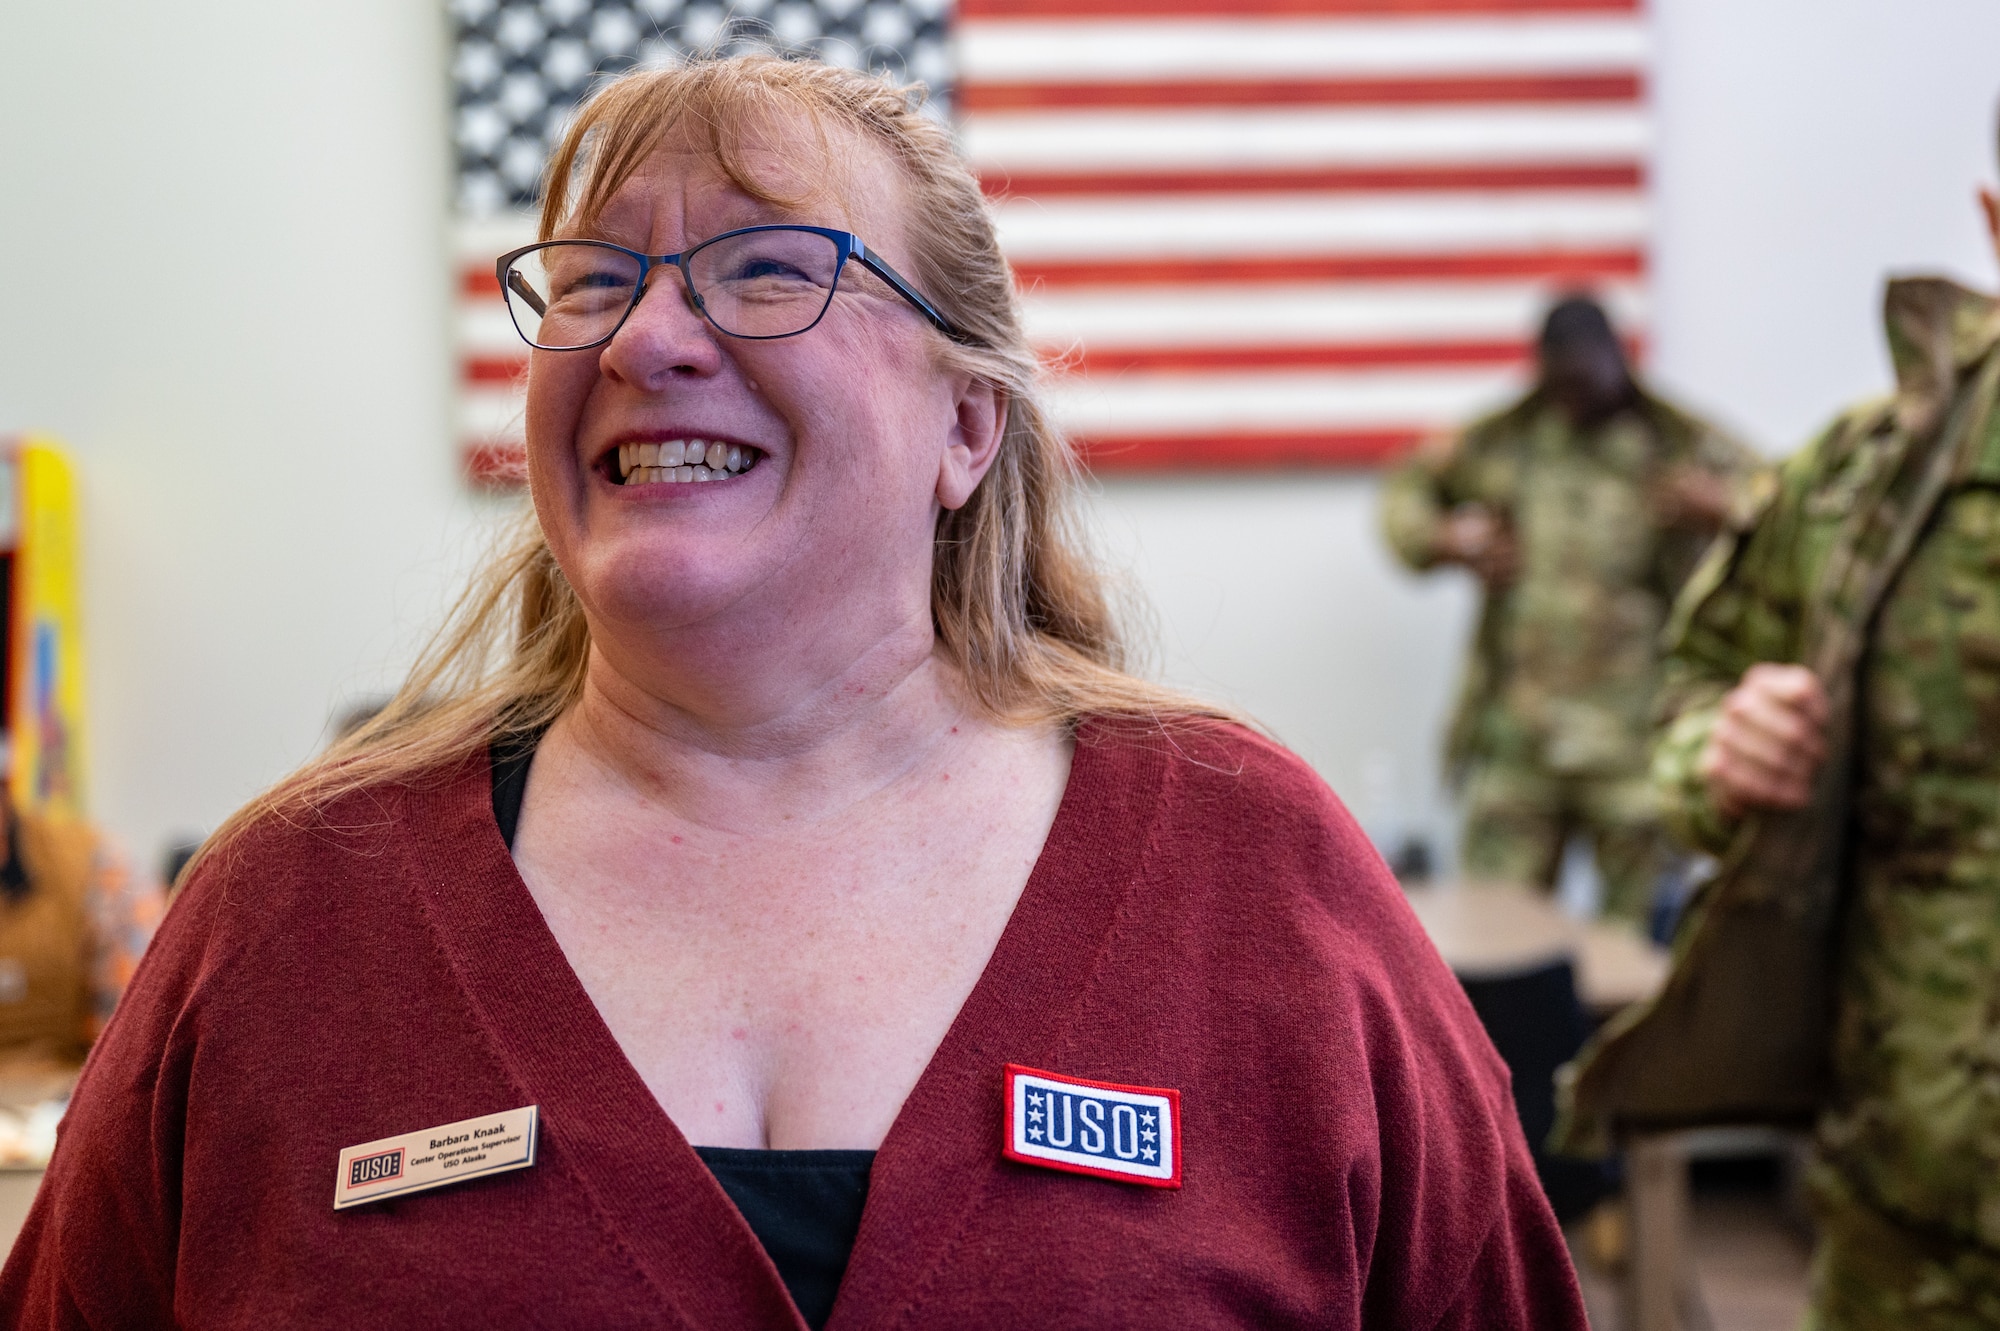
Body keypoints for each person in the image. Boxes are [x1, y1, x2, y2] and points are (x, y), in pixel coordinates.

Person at [0, 56, 1586, 1329]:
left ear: (969, 427)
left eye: (768, 272)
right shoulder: (288, 913)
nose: (649, 336)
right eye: (593, 279)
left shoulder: (1257, 877)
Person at [1641, 131, 2000, 1328]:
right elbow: (1682, 694)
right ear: (1995, 224)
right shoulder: (1862, 482)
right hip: (1918, 1210)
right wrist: (1720, 751)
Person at [1381, 300, 1759, 922]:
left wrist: (1721, 508)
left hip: (1636, 750)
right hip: (1521, 744)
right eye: (1562, 385)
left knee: (1639, 954)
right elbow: (1403, 498)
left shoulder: (1675, 441)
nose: (1575, 402)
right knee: (1495, 947)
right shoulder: (1506, 441)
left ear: (1620, 361)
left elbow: (1783, 501)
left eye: (1589, 383)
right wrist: (1452, 542)